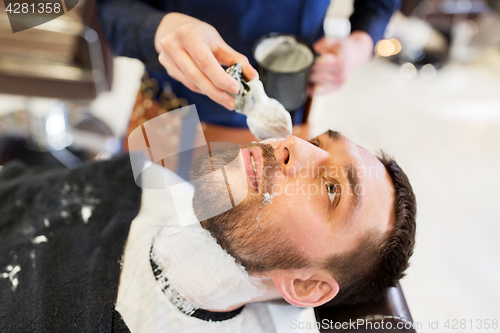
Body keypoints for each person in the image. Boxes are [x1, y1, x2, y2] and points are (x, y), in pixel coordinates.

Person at [0, 129, 416, 332]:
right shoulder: (168, 168)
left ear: (306, 286)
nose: (292, 144)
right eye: (317, 142)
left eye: (331, 188)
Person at [95, 0, 401, 135]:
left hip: (286, 116)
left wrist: (362, 42)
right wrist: (159, 29)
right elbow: (111, 8)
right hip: (171, 111)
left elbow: (379, 4)